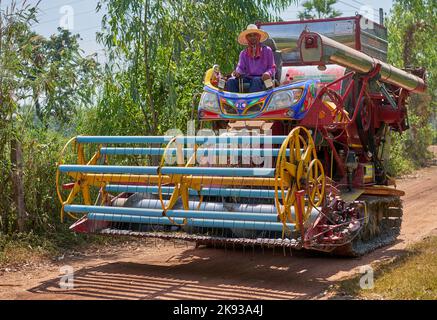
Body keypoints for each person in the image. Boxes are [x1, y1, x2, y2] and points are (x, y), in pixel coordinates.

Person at [226, 24, 276, 93]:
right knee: (230, 81)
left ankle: (252, 103)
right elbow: (240, 67)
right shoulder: (243, 53)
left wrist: (268, 73)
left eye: (255, 35)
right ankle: (234, 102)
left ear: (259, 36)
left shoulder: (267, 50)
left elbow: (272, 67)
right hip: (248, 77)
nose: (252, 37)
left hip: (263, 78)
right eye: (250, 35)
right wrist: (237, 72)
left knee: (256, 80)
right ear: (247, 38)